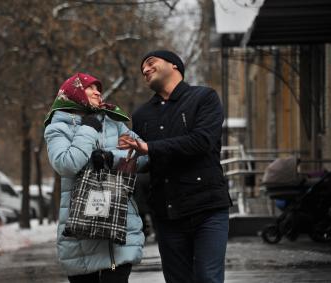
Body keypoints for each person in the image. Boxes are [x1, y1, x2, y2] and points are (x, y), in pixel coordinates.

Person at [118, 50, 232, 283]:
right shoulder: (142, 114)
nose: (146, 70)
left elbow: (202, 141)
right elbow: (144, 161)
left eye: (151, 63)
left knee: (207, 278)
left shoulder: (204, 97)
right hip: (167, 214)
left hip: (208, 209)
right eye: (143, 70)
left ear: (174, 66)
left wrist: (149, 147)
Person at [44, 72, 147, 283]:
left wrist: (112, 157)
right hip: (81, 234)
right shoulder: (57, 128)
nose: (98, 92)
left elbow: (142, 155)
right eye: (90, 87)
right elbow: (66, 164)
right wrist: (88, 130)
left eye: (98, 88)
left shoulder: (114, 122)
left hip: (119, 228)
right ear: (74, 92)